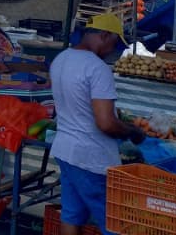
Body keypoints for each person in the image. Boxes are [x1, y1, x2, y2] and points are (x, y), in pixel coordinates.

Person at [51, 14, 144, 235]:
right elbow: (106, 123)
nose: (114, 50)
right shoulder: (97, 68)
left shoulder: (61, 59)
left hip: (65, 150)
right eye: (114, 43)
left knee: (71, 216)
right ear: (104, 35)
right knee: (112, 223)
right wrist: (132, 131)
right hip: (90, 157)